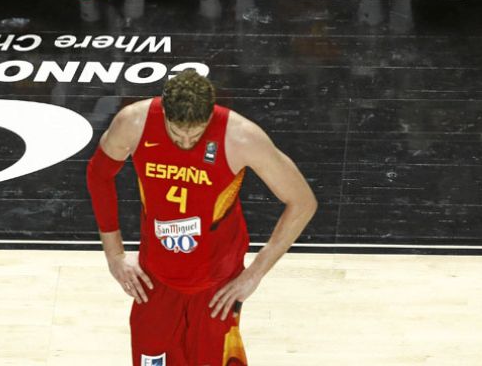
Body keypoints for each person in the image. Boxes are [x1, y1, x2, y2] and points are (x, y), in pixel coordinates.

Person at [86, 68, 317, 365]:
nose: (185, 142)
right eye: (176, 132)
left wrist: (255, 274)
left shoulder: (242, 137)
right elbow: (98, 175)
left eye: (194, 134)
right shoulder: (134, 122)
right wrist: (114, 255)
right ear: (165, 112)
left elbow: (302, 202)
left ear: (210, 116)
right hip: (155, 280)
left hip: (216, 287)